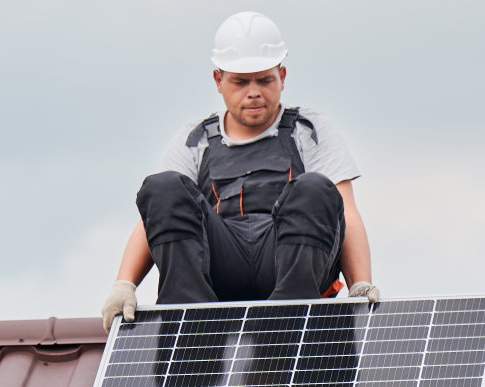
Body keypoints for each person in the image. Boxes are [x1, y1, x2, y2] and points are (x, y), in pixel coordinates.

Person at [101, 10, 379, 326]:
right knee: (162, 186)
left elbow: (346, 212)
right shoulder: (194, 139)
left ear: (283, 77)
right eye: (240, 82)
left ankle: (288, 320)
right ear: (218, 80)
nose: (254, 92)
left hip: (287, 264)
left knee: (316, 188)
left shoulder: (310, 130)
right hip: (221, 262)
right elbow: (157, 216)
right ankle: (190, 321)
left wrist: (359, 283)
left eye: (265, 80)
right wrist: (124, 283)